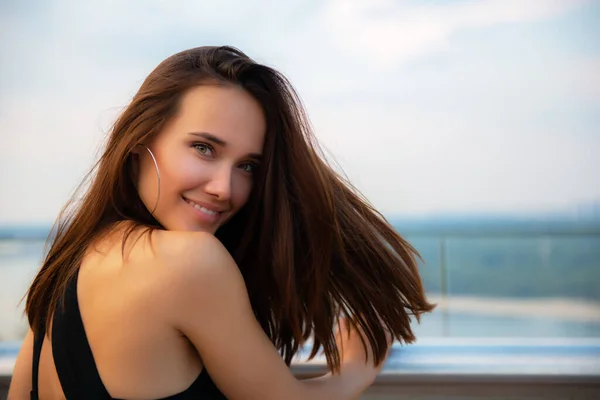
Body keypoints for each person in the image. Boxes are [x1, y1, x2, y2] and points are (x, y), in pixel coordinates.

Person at [8, 46, 435, 399]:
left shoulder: (73, 261)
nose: (224, 189)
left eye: (248, 166)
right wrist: (351, 373)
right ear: (139, 141)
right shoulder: (190, 262)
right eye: (204, 148)